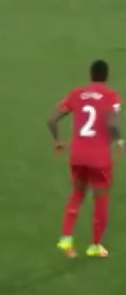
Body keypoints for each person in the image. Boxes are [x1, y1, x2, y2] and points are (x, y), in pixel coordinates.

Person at [48, 60, 123, 258]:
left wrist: (58, 141)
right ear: (106, 76)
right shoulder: (111, 96)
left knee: (77, 194)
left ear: (90, 75)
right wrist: (119, 141)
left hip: (78, 156)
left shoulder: (77, 94)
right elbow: (112, 124)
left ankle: (66, 238)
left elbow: (52, 120)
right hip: (99, 159)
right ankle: (95, 245)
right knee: (101, 199)